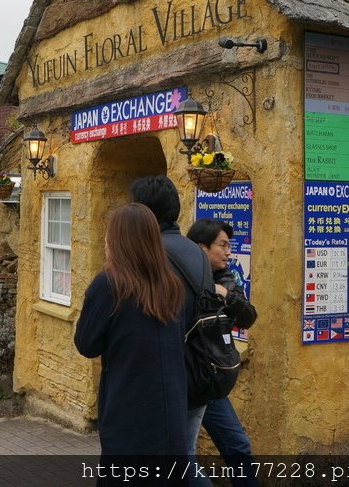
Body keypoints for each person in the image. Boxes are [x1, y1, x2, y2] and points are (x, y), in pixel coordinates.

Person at [74, 203, 187, 468]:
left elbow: (86, 344)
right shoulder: (172, 286)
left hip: (129, 409)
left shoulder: (109, 284)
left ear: (118, 240)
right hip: (170, 411)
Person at [129, 175, 214, 459]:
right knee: (184, 454)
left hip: (163, 379)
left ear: (145, 213)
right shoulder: (197, 252)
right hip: (197, 368)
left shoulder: (152, 257)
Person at [187, 219, 259, 486]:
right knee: (183, 457)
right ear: (201, 248)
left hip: (212, 381)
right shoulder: (181, 279)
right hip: (186, 380)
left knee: (238, 447)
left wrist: (226, 297)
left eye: (229, 245)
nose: (229, 252)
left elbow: (249, 317)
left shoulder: (225, 278)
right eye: (223, 245)